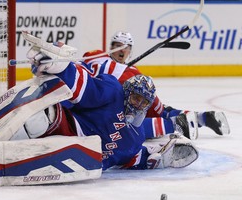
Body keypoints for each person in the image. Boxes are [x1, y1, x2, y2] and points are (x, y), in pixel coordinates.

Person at [0, 40, 198, 184]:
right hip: (66, 124)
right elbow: (84, 85)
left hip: (69, 152)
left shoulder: (133, 141)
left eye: (144, 102)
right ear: (127, 92)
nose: (138, 105)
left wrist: (160, 157)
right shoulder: (112, 90)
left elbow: (136, 158)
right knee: (39, 117)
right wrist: (60, 66)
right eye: (135, 97)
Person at [82, 31, 230, 138]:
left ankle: (201, 118)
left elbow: (155, 107)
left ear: (130, 51)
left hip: (105, 109)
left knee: (156, 109)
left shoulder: (133, 74)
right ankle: (188, 120)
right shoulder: (96, 55)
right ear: (111, 46)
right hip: (90, 104)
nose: (121, 49)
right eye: (118, 45)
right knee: (154, 112)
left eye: (125, 47)